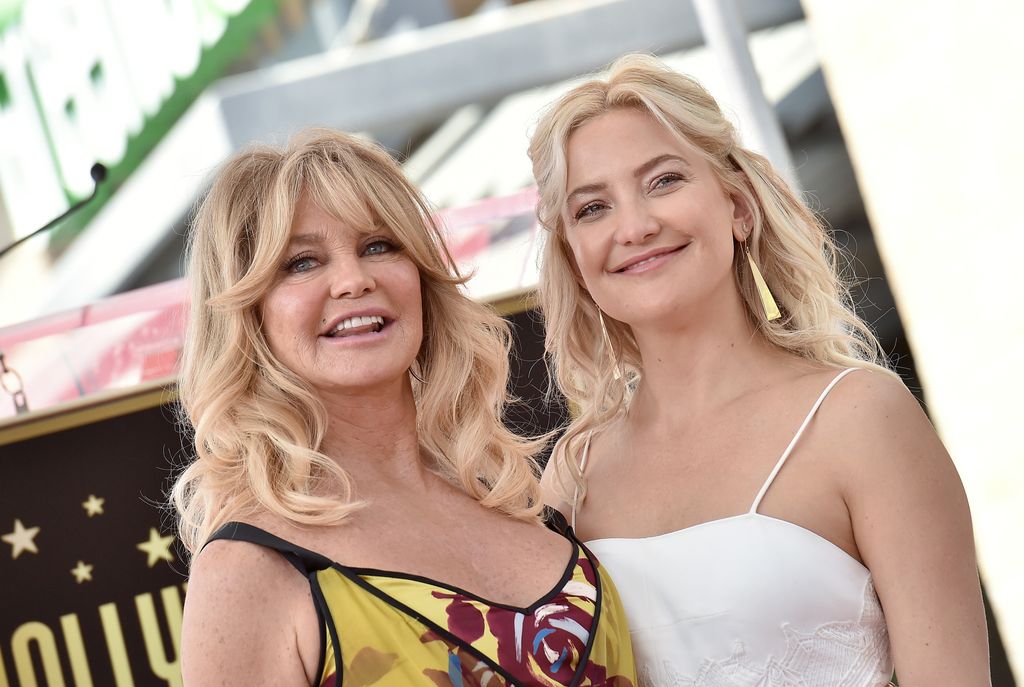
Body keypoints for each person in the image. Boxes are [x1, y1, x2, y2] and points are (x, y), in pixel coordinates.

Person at [528, 54, 990, 686]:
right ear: (574, 256)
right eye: (592, 208)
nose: (634, 226)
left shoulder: (859, 419)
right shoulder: (573, 473)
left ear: (738, 207)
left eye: (663, 181)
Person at [171, 129, 637, 686]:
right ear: (247, 316)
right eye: (301, 263)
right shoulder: (249, 572)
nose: (353, 280)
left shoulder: (516, 496)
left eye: (378, 246)